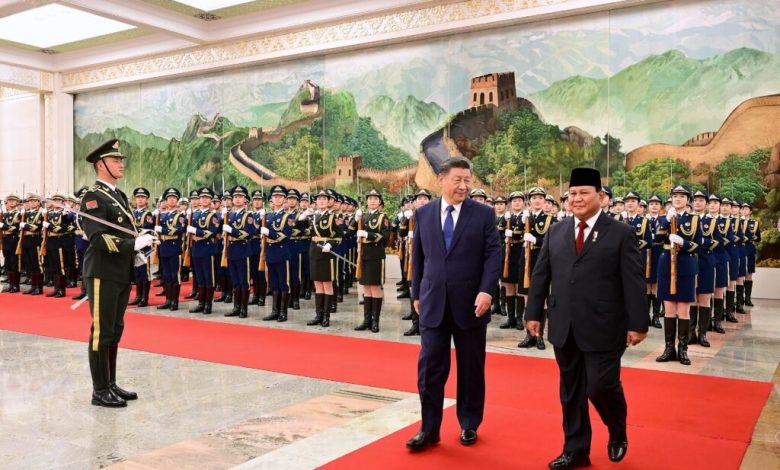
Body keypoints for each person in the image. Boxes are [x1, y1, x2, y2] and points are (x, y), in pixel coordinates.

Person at [525, 167, 647, 469]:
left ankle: (616, 429)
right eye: (572, 194)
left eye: (584, 193)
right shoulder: (556, 231)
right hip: (564, 324)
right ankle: (576, 450)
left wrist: (638, 323)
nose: (576, 199)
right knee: (571, 392)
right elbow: (541, 275)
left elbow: (633, 282)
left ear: (601, 197)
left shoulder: (620, 233)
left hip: (605, 325)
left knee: (600, 386)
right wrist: (534, 313)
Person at [406, 157, 501, 451]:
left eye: (467, 180)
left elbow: (493, 255)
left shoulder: (483, 214)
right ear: (441, 180)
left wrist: (486, 291)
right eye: (457, 180)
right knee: (429, 369)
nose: (463, 186)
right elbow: (419, 257)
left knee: (471, 368)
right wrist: (416, 294)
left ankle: (469, 423)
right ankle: (429, 429)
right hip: (433, 302)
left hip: (472, 304)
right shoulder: (424, 214)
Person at [79, 139, 155, 407]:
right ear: (101, 165)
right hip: (102, 271)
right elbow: (98, 238)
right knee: (101, 331)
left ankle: (110, 384)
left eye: (121, 160)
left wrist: (140, 243)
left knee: (114, 330)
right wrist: (132, 245)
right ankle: (99, 390)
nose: (121, 164)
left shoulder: (119, 196)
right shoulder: (92, 198)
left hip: (120, 271)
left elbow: (126, 232)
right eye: (115, 160)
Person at [655, 185, 702, 366]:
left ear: (687, 200)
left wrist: (684, 242)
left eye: (682, 196)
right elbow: (657, 239)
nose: (678, 199)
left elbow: (698, 246)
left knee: (683, 310)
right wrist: (666, 221)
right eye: (675, 196)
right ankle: (669, 349)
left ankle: (683, 349)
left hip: (685, 265)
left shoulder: (694, 219)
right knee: (668, 309)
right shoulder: (663, 218)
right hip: (666, 264)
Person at [354, 189, 391, 333]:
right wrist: (355, 219)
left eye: (375, 198)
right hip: (363, 255)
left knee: (375, 287)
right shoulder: (363, 216)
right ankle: (366, 320)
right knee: (366, 288)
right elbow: (350, 230)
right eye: (370, 198)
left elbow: (385, 237)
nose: (372, 201)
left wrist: (367, 234)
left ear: (379, 202)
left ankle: (375, 321)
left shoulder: (383, 217)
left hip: (376, 255)